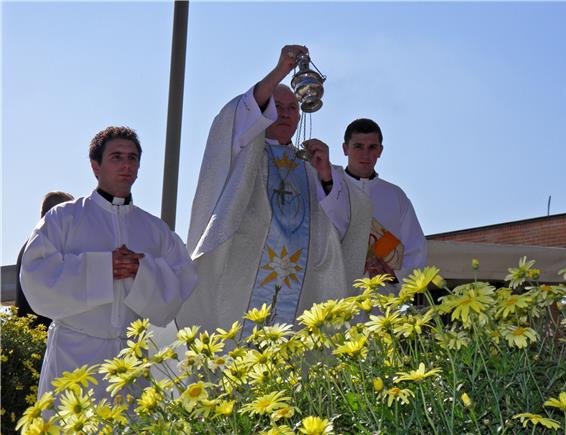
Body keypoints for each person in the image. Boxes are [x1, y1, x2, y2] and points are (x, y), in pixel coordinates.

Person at [177, 45, 372, 335]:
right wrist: (282, 70)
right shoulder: (244, 153)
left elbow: (344, 223)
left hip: (301, 289)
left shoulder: (310, 166)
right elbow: (238, 114)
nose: (285, 114)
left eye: (292, 108)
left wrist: (326, 177)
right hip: (243, 277)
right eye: (276, 107)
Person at [20, 126, 197, 400]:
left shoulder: (155, 230)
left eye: (133, 158)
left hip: (131, 363)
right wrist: (104, 269)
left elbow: (183, 280)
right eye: (116, 157)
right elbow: (36, 276)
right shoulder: (63, 219)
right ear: (95, 166)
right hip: (75, 358)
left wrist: (141, 271)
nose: (126, 165)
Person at [341, 118, 427, 285]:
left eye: (372, 147)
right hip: (338, 294)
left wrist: (396, 277)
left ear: (380, 150)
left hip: (384, 297)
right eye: (358, 146)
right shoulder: (331, 189)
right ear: (345, 149)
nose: (365, 154)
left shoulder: (395, 196)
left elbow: (416, 249)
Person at [15, 191, 74, 328]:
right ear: (58, 214)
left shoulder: (31, 245)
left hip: (29, 334)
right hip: (44, 336)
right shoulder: (47, 248)